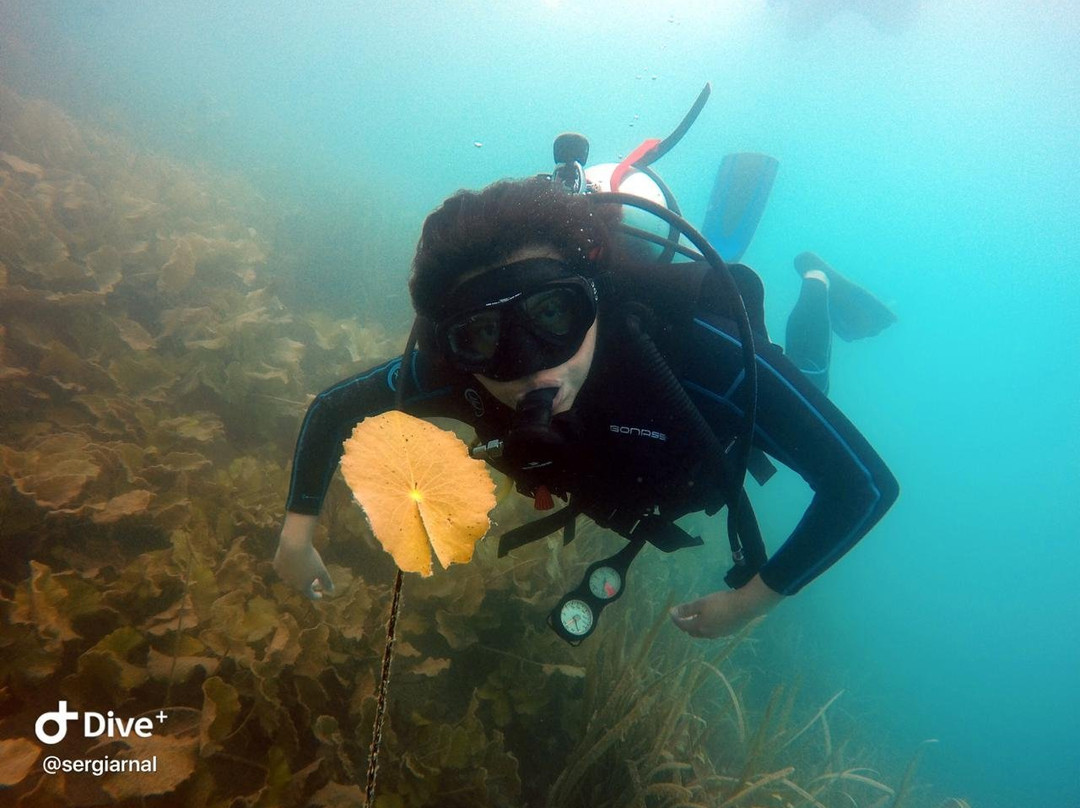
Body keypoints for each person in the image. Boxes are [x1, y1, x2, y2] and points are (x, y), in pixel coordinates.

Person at [274, 176, 899, 639]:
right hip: (631, 475)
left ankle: (815, 280)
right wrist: (295, 536)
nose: (530, 367)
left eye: (552, 314)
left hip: (720, 433)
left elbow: (862, 486)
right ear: (451, 342)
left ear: (594, 298)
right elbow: (335, 409)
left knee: (812, 377)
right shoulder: (448, 372)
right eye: (484, 334)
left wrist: (749, 602)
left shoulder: (702, 356)